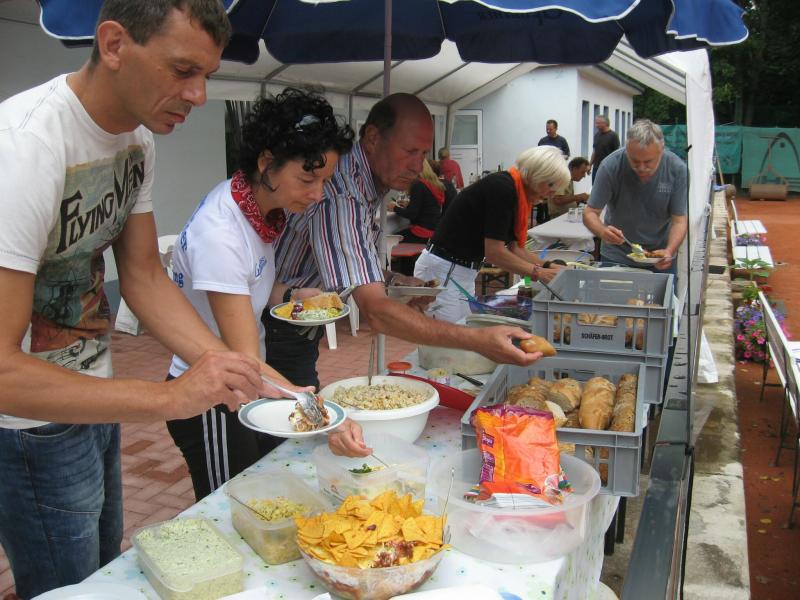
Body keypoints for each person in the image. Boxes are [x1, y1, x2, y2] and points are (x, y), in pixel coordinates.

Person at [0, 2, 280, 597]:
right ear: (113, 45)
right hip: (28, 425)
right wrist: (170, 398)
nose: (199, 95)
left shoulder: (137, 137)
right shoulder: (24, 148)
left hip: (93, 398)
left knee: (102, 571)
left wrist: (243, 372)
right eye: (182, 71)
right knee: (69, 587)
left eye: (206, 74)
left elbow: (145, 277)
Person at [165, 88, 368, 501]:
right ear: (266, 162)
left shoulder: (257, 209)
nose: (317, 194)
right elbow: (246, 360)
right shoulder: (221, 232)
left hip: (243, 383)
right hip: (212, 396)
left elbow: (249, 284)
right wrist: (323, 414)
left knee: (260, 494)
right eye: (307, 179)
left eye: (324, 181)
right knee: (232, 507)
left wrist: (291, 293)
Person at [263, 94, 543, 389]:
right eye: (409, 151)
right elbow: (375, 312)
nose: (417, 165)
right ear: (373, 138)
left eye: (423, 154)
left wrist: (397, 281)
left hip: (293, 316)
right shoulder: (343, 195)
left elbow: (353, 263)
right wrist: (477, 340)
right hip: (277, 322)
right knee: (293, 411)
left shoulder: (364, 181)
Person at [414, 146, 571, 324]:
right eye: (550, 185)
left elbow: (516, 249)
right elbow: (494, 253)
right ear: (537, 175)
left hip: (460, 270)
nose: (552, 193)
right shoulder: (503, 188)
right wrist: (539, 272)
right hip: (444, 269)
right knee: (447, 335)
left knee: (463, 329)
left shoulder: (517, 193)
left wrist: (549, 266)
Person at [582, 119, 688, 274]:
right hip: (617, 254)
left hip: (659, 256)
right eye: (635, 161)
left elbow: (679, 221)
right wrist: (602, 231)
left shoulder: (677, 169)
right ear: (627, 150)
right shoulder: (610, 166)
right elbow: (590, 212)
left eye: (648, 161)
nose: (642, 168)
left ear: (662, 150)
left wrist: (669, 250)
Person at [389, 159, 444, 243]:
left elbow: (412, 214)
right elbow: (427, 206)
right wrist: (409, 204)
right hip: (433, 231)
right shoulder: (433, 184)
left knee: (390, 240)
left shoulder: (418, 185)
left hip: (421, 232)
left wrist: (394, 208)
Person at [589, 115, 620, 183]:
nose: (596, 125)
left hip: (608, 168)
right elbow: (594, 151)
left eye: (598, 123)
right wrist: (590, 165)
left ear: (605, 123)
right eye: (596, 123)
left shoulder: (613, 136)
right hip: (596, 168)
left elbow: (617, 154)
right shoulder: (596, 135)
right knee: (595, 187)